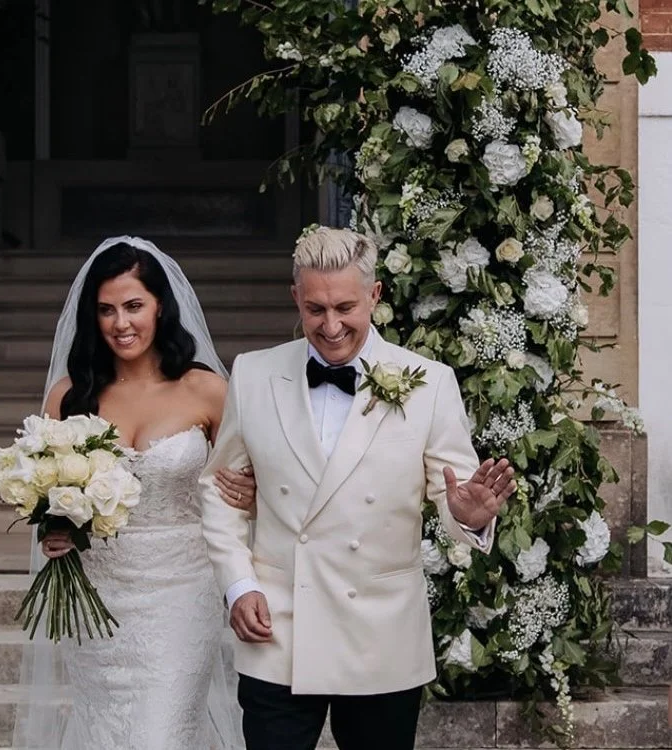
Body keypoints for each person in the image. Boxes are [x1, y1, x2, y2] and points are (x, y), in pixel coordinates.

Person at [199, 227, 515, 750]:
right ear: (295, 298)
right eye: (315, 309)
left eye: (345, 307)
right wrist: (238, 584)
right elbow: (219, 488)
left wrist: (469, 513)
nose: (331, 325)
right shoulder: (253, 375)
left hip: (380, 633)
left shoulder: (429, 382)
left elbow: (454, 494)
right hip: (278, 626)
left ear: (375, 295)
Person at [14, 236, 254, 750]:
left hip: (183, 590)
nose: (121, 323)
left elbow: (249, 482)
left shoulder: (206, 390)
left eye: (133, 306)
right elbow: (50, 496)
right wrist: (54, 531)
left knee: (160, 734)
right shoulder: (70, 395)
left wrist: (250, 491)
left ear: (160, 306)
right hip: (98, 594)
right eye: (106, 310)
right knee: (106, 733)